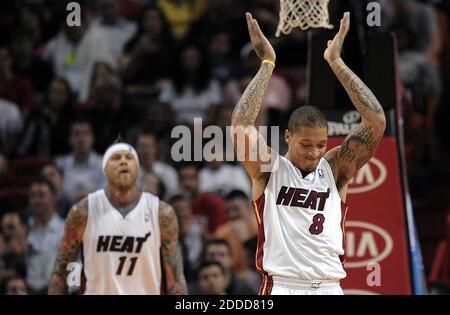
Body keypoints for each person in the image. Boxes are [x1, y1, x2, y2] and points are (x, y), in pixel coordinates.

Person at [230, 13, 386, 295]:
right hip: (283, 286)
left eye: (321, 144)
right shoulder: (268, 169)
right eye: (306, 144)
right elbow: (241, 124)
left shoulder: (336, 169)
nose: (314, 152)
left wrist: (336, 63)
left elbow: (375, 121)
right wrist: (267, 63)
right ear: (287, 137)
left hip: (329, 286)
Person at [48, 142, 187, 294]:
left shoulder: (162, 214)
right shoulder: (83, 211)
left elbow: (175, 279)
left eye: (129, 158)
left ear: (137, 169)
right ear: (105, 169)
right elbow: (62, 271)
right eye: (116, 158)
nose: (123, 162)